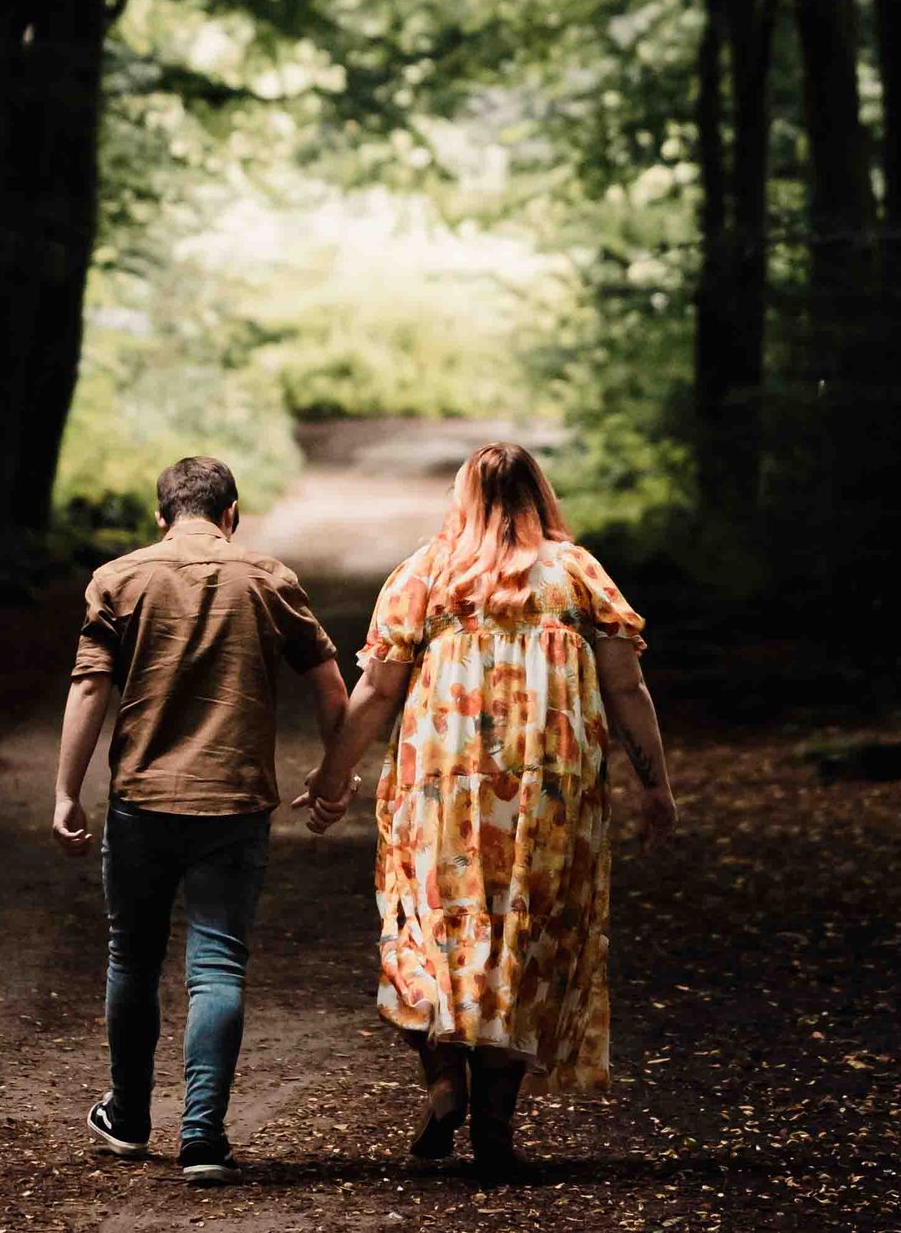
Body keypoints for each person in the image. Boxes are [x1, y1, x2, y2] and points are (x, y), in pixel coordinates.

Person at [295, 441, 677, 1178]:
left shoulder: (425, 573)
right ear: (541, 493)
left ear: (462, 496)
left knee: (431, 924)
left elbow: (375, 689)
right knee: (524, 939)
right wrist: (655, 784)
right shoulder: (578, 574)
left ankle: (444, 1085)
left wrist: (332, 775)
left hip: (442, 788)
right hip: (549, 794)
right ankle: (495, 1122)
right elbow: (627, 688)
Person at [52, 456, 349, 1186]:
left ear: (162, 517)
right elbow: (330, 682)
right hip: (236, 802)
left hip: (143, 798)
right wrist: (333, 774)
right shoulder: (269, 579)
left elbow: (90, 687)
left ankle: (127, 1117)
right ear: (233, 513)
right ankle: (203, 1138)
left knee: (133, 955)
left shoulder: (118, 579)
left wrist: (67, 788)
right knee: (217, 964)